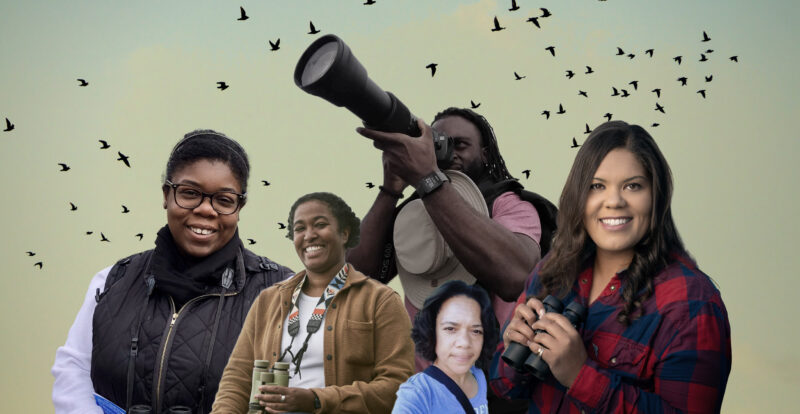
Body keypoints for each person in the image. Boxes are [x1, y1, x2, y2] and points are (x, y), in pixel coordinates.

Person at [491, 121, 732, 413]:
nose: (614, 201)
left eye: (633, 186)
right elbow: (503, 386)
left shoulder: (691, 303)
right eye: (597, 186)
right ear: (579, 196)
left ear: (656, 197)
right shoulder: (552, 271)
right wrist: (514, 342)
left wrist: (580, 376)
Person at [51, 130, 294, 414]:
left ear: (239, 207)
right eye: (190, 193)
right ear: (167, 195)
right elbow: (74, 368)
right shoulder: (112, 280)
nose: (206, 209)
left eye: (224, 200)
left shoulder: (282, 294)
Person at [350, 108, 557, 362]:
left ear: (484, 153)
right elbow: (353, 278)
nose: (450, 153)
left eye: (460, 144)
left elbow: (517, 277)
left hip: (496, 386)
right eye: (439, 145)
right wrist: (390, 190)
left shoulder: (508, 204)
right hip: (430, 386)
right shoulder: (415, 214)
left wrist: (428, 178)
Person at [211, 192, 415, 414]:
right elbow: (237, 378)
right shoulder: (268, 302)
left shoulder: (380, 302)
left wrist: (315, 400)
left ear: (344, 233)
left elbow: (398, 386)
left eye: (320, 224)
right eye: (299, 229)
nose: (309, 235)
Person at [393, 281, 498, 414]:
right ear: (431, 332)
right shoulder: (418, 393)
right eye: (451, 329)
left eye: (476, 331)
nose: (464, 342)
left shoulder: (478, 375)